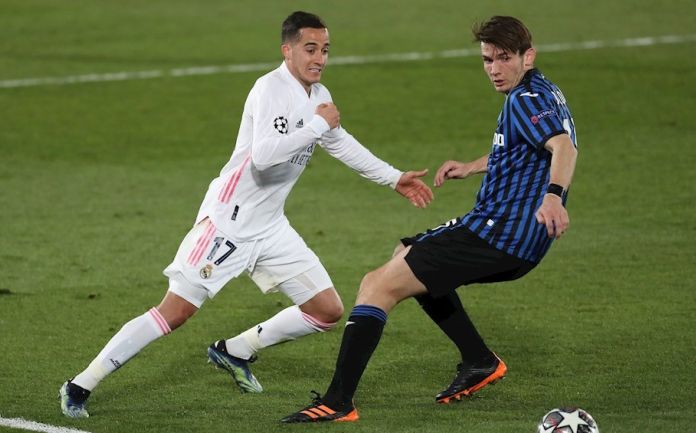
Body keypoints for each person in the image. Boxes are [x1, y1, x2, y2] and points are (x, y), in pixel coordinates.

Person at [58, 11, 433, 418]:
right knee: (175, 312)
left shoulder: (318, 96)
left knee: (326, 309)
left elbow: (340, 143)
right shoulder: (270, 89)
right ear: (287, 50)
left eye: (325, 50)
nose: (320, 58)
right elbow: (264, 157)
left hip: (271, 227)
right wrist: (315, 126)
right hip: (228, 225)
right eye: (310, 49)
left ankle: (234, 351)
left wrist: (394, 178)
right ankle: (80, 384)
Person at [280, 15, 579, 423]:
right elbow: (523, 149)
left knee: (377, 284)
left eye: (503, 59)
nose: (493, 69)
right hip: (499, 228)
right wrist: (472, 166)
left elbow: (563, 148)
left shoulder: (525, 99)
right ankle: (478, 360)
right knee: (407, 252)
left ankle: (337, 402)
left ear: (529, 56)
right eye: (487, 59)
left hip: (502, 234)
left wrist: (554, 197)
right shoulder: (541, 91)